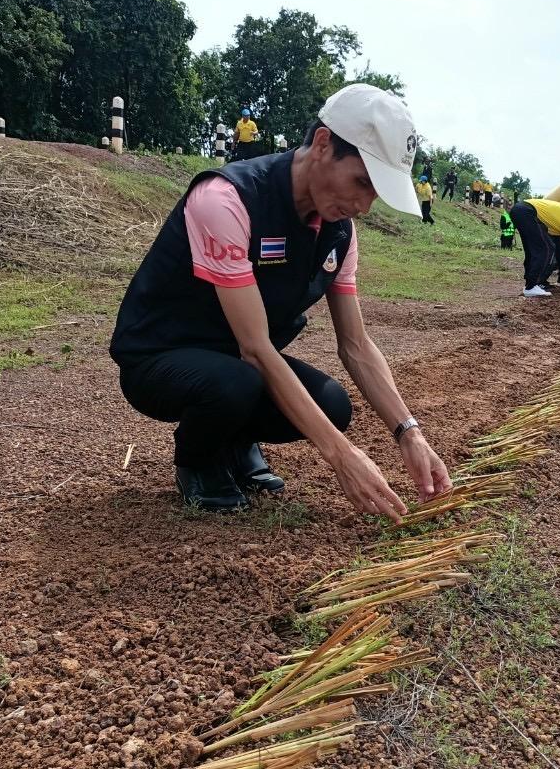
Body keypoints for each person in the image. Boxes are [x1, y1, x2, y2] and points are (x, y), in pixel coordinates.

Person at [110, 84, 453, 517]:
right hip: (162, 355)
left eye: (375, 193)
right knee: (236, 383)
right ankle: (198, 461)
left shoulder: (338, 234)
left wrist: (410, 433)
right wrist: (342, 456)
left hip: (238, 357)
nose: (364, 205)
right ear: (324, 144)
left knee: (333, 403)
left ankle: (235, 441)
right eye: (362, 182)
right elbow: (255, 349)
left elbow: (357, 346)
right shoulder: (227, 199)